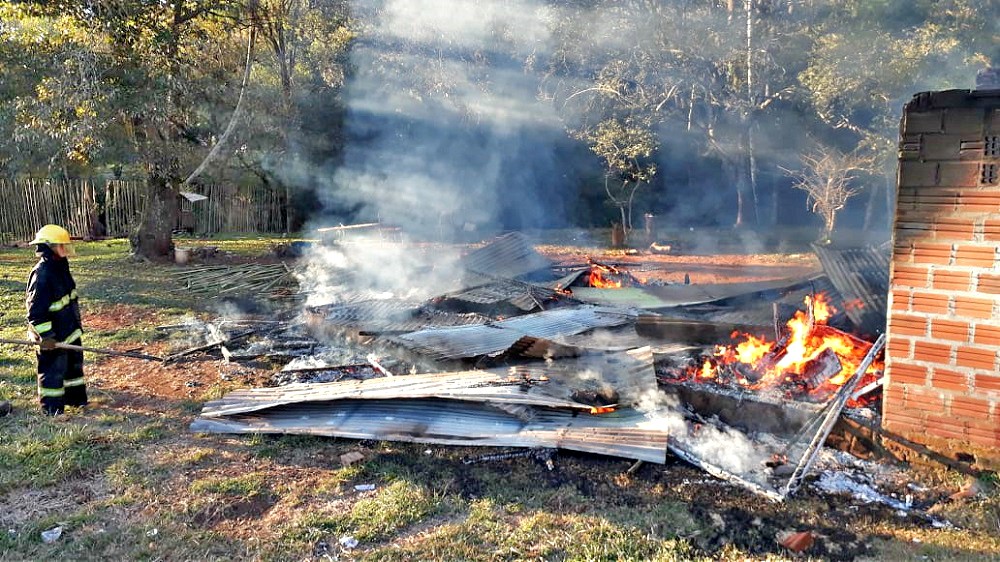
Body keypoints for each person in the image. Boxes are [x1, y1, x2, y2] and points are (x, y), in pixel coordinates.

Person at [25, 224, 87, 415]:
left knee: (73, 369)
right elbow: (36, 313)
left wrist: (75, 329)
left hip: (69, 331)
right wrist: (47, 337)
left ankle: (76, 400)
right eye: (61, 246)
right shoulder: (42, 275)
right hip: (52, 337)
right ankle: (52, 410)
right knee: (53, 373)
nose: (65, 250)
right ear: (48, 247)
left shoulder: (61, 266)